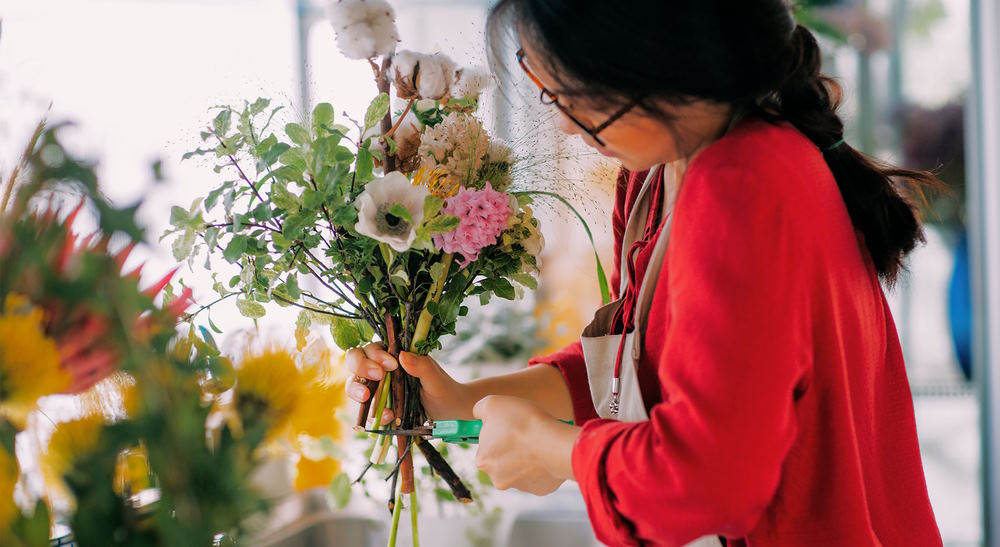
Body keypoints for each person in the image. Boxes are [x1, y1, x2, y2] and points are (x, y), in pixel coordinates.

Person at [346, 1, 944, 544]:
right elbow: (638, 362)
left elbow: (710, 480)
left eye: (571, 94)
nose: (561, 124)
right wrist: (465, 399)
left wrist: (556, 450)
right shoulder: (661, 176)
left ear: (651, 63)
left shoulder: (741, 186)